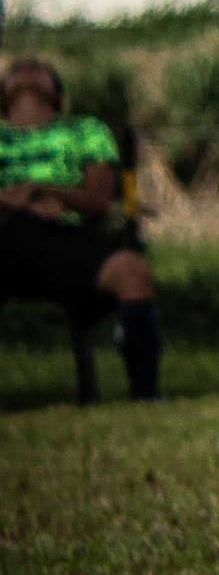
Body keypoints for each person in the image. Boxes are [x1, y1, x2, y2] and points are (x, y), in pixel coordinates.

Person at [0, 56, 163, 400]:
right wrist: (16, 202)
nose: (26, 69)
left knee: (132, 272)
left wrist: (42, 190)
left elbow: (97, 199)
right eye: (16, 71)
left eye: (38, 70)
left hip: (66, 237)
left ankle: (145, 395)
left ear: (58, 95)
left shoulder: (86, 131)